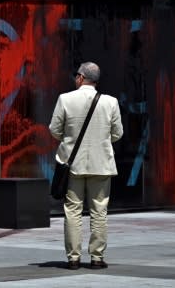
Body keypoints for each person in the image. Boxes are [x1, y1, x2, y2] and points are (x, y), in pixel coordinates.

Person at [49, 62, 123, 270]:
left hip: (72, 164)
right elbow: (118, 134)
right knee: (99, 211)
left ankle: (73, 258)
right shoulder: (111, 102)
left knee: (72, 210)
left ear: (81, 77)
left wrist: (69, 140)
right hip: (102, 164)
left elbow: (54, 130)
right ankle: (97, 257)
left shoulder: (65, 99)